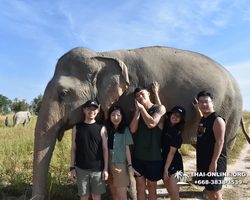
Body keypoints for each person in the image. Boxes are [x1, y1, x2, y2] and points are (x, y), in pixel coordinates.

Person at [129, 85, 166, 200]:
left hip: (154, 158)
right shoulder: (139, 112)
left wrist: (142, 108)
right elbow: (132, 130)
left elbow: (151, 123)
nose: (140, 97)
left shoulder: (159, 108)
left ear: (148, 94)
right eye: (137, 96)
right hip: (138, 157)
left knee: (151, 189)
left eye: (142, 94)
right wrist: (137, 111)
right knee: (140, 187)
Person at [152, 81, 186, 200]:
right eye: (174, 114)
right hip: (164, 160)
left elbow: (172, 153)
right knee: (170, 191)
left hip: (174, 164)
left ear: (180, 120)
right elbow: (160, 109)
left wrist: (166, 169)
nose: (175, 116)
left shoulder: (176, 134)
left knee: (174, 194)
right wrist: (156, 93)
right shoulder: (166, 125)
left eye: (178, 116)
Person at [70, 100, 109, 200]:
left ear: (97, 111)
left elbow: (105, 149)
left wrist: (105, 169)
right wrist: (72, 168)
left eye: (94, 109)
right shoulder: (76, 128)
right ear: (84, 110)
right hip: (81, 169)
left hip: (98, 170)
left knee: (96, 196)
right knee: (84, 196)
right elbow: (73, 149)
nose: (92, 111)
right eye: (89, 109)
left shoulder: (102, 128)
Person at [192, 91, 227, 200]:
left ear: (212, 103)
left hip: (214, 162)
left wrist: (214, 162)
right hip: (205, 161)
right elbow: (201, 122)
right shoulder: (205, 119)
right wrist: (197, 110)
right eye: (201, 102)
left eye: (206, 102)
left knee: (215, 193)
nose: (203, 104)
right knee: (209, 190)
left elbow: (220, 142)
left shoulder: (217, 120)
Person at [105, 106, 140, 200]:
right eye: (113, 115)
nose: (116, 118)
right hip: (107, 164)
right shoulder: (106, 129)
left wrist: (129, 165)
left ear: (122, 116)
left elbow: (127, 148)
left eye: (118, 115)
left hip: (120, 165)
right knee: (114, 195)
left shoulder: (125, 130)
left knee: (122, 196)